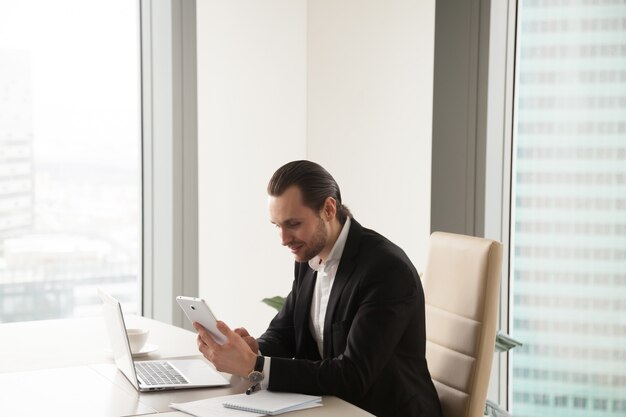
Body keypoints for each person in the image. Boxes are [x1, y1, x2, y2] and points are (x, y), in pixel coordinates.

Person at [193, 160, 442, 417]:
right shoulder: (308, 257)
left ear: (328, 209)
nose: (283, 239)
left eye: (293, 224)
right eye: (277, 226)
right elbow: (287, 330)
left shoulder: (385, 270)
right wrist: (253, 349)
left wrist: (254, 366)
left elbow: (353, 375)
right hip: (331, 407)